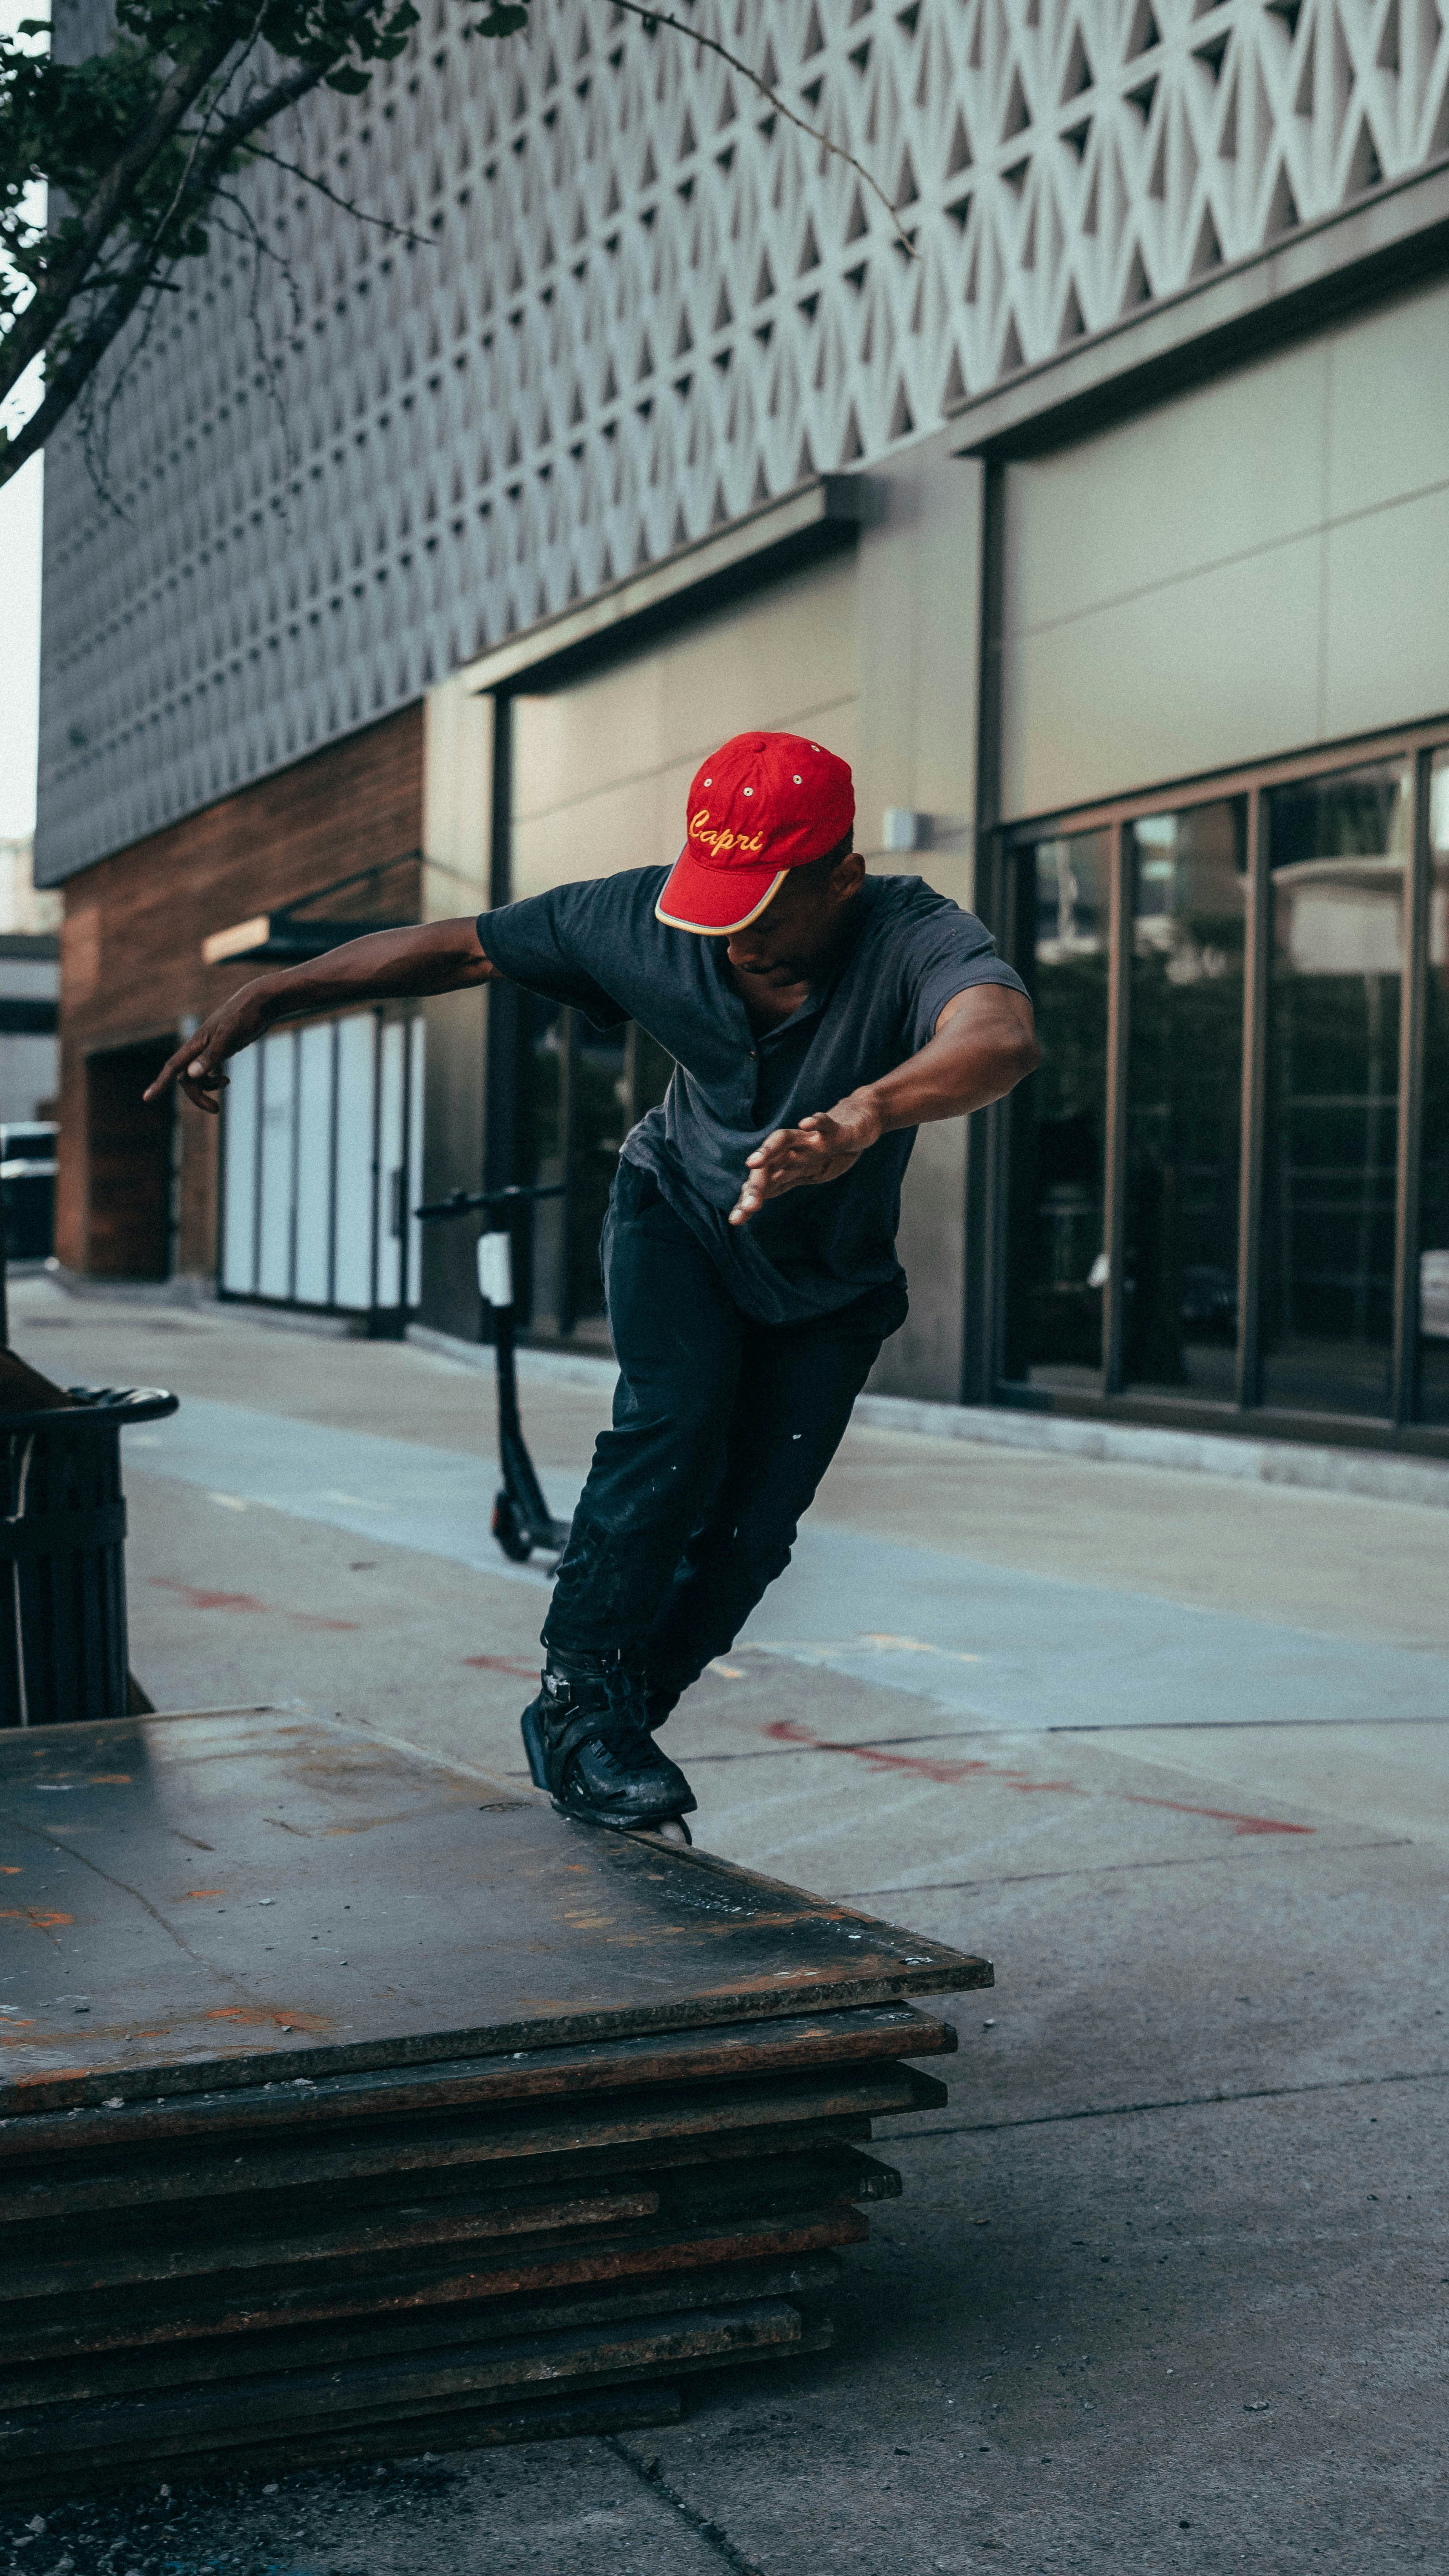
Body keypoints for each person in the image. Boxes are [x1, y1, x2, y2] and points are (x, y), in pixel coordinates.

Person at [148, 731, 1038, 1843]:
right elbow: (458, 950)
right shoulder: (643, 917)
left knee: (751, 1533)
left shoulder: (915, 933)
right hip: (674, 1214)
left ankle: (612, 1724)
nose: (731, 934)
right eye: (716, 903)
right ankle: (580, 1694)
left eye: (764, 906)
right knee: (673, 1422)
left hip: (829, 1279)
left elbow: (996, 1035)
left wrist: (862, 1116)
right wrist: (268, 997)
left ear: (840, 879)